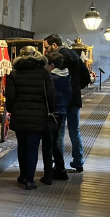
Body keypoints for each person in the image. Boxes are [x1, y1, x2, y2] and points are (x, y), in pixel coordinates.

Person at [6, 46, 54, 189]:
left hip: (20, 115)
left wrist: (12, 109)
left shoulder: (14, 74)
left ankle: (22, 176)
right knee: (33, 148)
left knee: (22, 147)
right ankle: (30, 179)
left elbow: (10, 97)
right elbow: (51, 95)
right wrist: (50, 111)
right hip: (39, 116)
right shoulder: (44, 73)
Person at [44, 34, 89, 172]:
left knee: (59, 134)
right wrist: (75, 88)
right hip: (74, 99)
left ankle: (59, 164)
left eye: (47, 47)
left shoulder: (56, 59)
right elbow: (86, 76)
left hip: (60, 100)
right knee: (75, 132)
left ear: (55, 45)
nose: (46, 50)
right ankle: (78, 161)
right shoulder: (75, 56)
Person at [44, 52, 71, 182]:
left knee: (50, 144)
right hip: (62, 111)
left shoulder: (52, 78)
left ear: (52, 65)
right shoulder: (66, 75)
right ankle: (60, 169)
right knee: (54, 142)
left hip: (53, 113)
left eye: (47, 65)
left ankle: (55, 172)